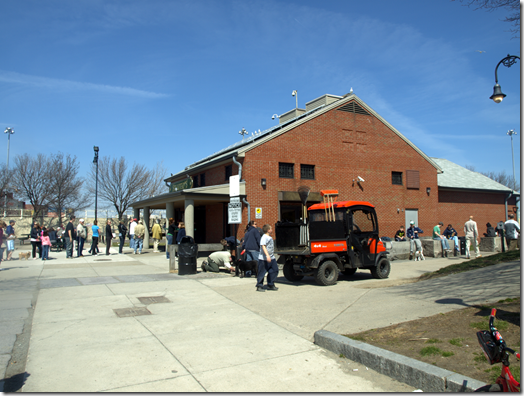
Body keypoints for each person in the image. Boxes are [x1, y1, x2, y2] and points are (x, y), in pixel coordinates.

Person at [256, 224, 279, 292]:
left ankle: (270, 284)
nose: (272, 230)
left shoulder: (269, 237)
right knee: (262, 272)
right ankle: (259, 285)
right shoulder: (264, 237)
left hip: (272, 258)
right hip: (264, 258)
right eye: (271, 229)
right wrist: (267, 256)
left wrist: (270, 256)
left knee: (275, 270)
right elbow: (263, 246)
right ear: (268, 230)